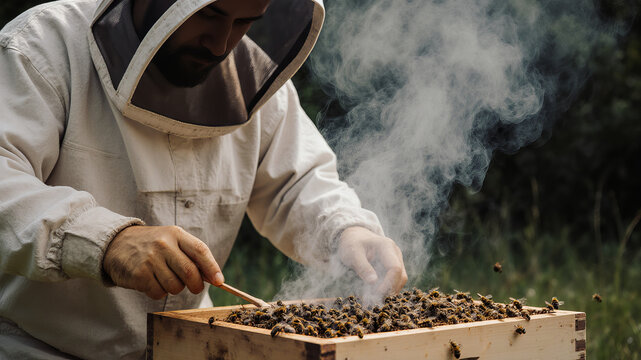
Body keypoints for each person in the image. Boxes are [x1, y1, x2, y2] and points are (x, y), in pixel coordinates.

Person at [0, 0, 407, 358]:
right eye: (209, 14)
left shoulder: (250, 81)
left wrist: (347, 230)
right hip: (39, 348)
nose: (220, 43)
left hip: (195, 346)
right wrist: (107, 240)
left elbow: (298, 184)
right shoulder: (43, 47)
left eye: (245, 21)